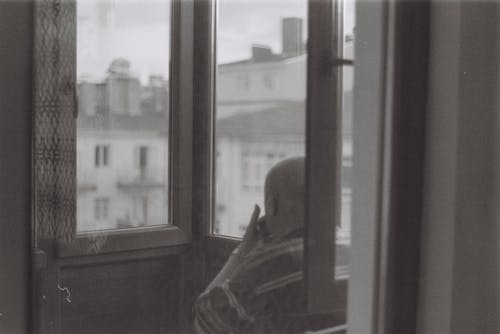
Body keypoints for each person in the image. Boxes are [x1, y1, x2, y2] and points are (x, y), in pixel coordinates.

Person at [194, 157, 310, 333]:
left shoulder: (272, 263)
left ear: (271, 205)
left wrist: (243, 251)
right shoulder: (353, 251)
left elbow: (203, 320)